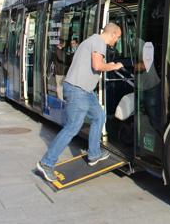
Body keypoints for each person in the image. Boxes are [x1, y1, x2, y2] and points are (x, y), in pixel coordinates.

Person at [36, 23, 124, 182]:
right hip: (78, 90)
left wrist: (108, 65)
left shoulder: (92, 40)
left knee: (99, 116)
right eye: (118, 37)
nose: (117, 41)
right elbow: (97, 65)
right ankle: (46, 163)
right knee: (72, 127)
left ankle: (94, 154)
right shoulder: (99, 42)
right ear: (113, 34)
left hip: (85, 91)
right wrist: (113, 66)